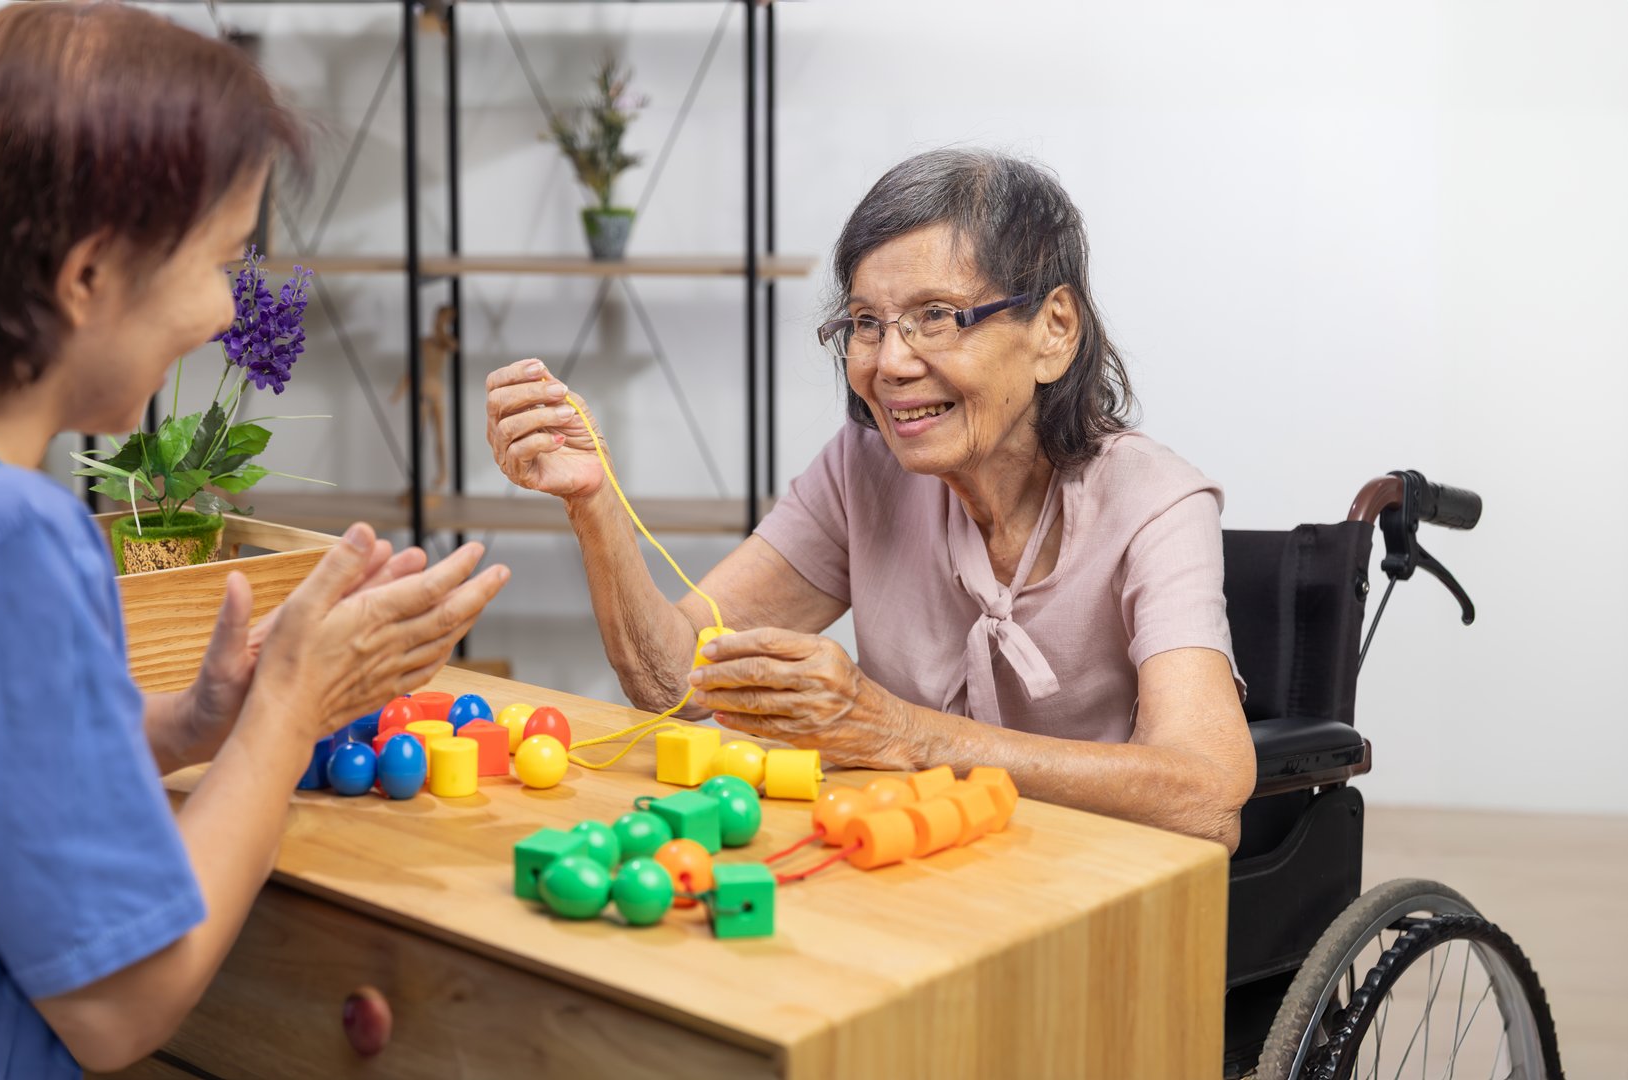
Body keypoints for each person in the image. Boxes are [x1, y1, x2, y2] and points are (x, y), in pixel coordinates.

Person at [0, 7, 507, 1076]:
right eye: (220, 260)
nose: (223, 312)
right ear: (88, 276)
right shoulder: (10, 535)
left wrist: (187, 724)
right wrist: (289, 713)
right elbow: (123, 1004)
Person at [486, 149, 1255, 852]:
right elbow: (676, 681)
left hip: (1087, 884)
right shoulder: (865, 468)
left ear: (1053, 330)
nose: (888, 363)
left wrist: (899, 734)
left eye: (936, 317)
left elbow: (1205, 791)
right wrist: (593, 503)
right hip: (915, 863)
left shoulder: (1157, 501)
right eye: (865, 323)